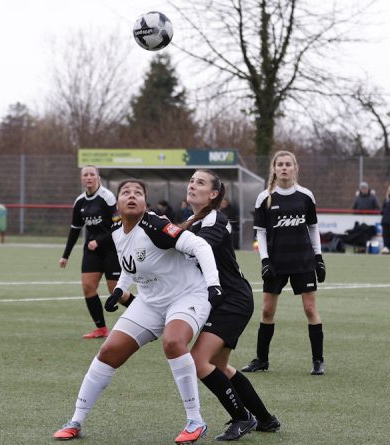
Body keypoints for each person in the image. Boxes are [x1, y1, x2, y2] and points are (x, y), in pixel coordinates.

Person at [53, 179, 224, 443]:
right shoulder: (118, 230)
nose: (131, 196)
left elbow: (200, 246)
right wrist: (119, 290)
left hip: (188, 295)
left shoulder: (155, 225)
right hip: (150, 302)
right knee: (108, 352)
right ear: (117, 203)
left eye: (138, 193)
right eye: (126, 192)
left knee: (173, 341)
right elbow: (129, 264)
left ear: (145, 202)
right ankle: (75, 420)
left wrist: (213, 284)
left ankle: (195, 420)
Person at [183, 169, 280, 439]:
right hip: (219, 300)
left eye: (200, 182)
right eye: (191, 181)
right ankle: (265, 419)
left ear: (213, 194)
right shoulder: (191, 221)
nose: (192, 185)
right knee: (220, 367)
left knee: (198, 360)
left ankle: (241, 418)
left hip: (232, 299)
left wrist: (165, 233)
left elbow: (196, 247)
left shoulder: (215, 219)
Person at [241, 150, 327, 375]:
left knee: (310, 309)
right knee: (267, 311)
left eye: (289, 164)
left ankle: (318, 360)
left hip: (303, 261)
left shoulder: (306, 196)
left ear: (295, 168)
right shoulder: (265, 197)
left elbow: (313, 228)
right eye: (280, 164)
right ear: (274, 168)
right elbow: (260, 233)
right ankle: (261, 360)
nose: (284, 168)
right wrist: (265, 261)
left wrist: (318, 258)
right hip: (276, 263)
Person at [58, 165, 121, 339]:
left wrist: (99, 241)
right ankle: (101, 329)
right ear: (82, 179)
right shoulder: (79, 202)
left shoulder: (107, 197)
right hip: (92, 252)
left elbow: (118, 225)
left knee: (117, 292)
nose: (89, 177)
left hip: (111, 249)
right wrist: (65, 256)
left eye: (92, 174)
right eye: (85, 175)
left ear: (98, 178)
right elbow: (74, 230)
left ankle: (149, 320)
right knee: (88, 287)